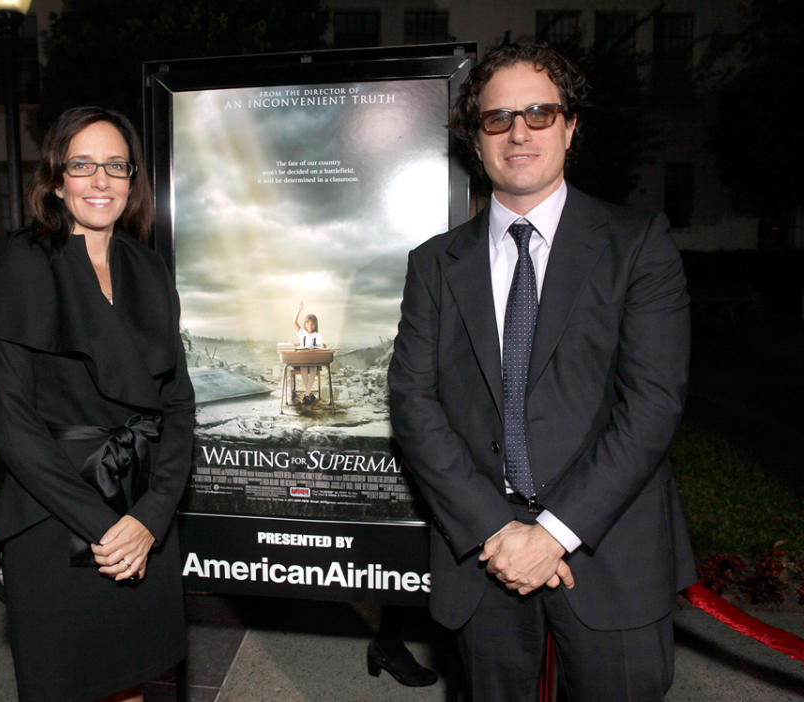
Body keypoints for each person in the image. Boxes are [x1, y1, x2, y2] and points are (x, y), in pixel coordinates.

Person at [387, 43, 695, 701]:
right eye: (498, 118)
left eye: (539, 112)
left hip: (608, 549)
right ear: (477, 138)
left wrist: (552, 534)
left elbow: (652, 404)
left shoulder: (638, 244)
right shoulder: (435, 264)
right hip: (483, 553)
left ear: (570, 126)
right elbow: (412, 402)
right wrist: (498, 530)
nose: (519, 132)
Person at [0, 106, 195, 702]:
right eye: (82, 164)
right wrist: (108, 529)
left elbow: (177, 407)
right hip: (58, 516)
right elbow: (13, 422)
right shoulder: (20, 261)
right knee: (68, 685)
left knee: (137, 685)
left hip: (145, 511)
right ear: (55, 179)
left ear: (132, 181)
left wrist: (149, 520)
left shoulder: (148, 268)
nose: (100, 180)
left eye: (115, 166)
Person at [292, 301, 324, 403]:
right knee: (303, 368)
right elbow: (294, 322)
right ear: (305, 324)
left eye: (312, 324)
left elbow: (322, 345)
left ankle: (307, 394)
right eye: (308, 323)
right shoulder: (302, 332)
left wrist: (322, 345)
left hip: (314, 360)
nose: (310, 326)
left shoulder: (317, 336)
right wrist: (298, 310)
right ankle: (308, 394)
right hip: (303, 359)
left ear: (315, 325)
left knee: (313, 368)